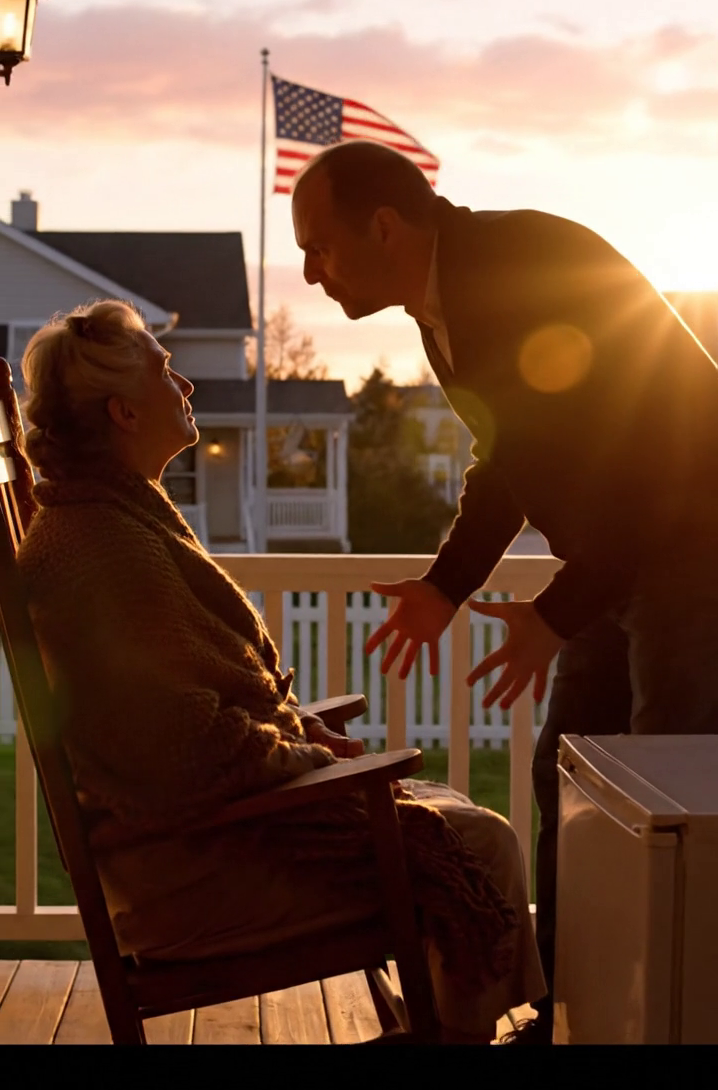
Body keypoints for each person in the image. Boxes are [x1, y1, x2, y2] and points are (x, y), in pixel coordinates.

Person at [16, 297, 545, 1044]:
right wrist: (304, 755)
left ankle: (455, 1029)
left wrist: (302, 744)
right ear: (123, 415)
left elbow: (183, 716)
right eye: (166, 372)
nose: (188, 386)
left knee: (453, 826)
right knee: (479, 843)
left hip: (195, 845)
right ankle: (460, 1040)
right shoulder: (98, 554)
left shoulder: (111, 522)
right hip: (191, 876)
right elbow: (181, 747)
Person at [291, 138, 718, 1043]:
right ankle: (569, 1012)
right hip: (622, 558)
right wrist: (447, 587)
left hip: (695, 553)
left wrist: (557, 616)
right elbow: (512, 459)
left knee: (664, 801)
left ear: (384, 226)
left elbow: (657, 471)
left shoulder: (512, 276)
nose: (309, 271)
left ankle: (666, 1026)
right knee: (564, 771)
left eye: (319, 245)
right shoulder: (445, 299)